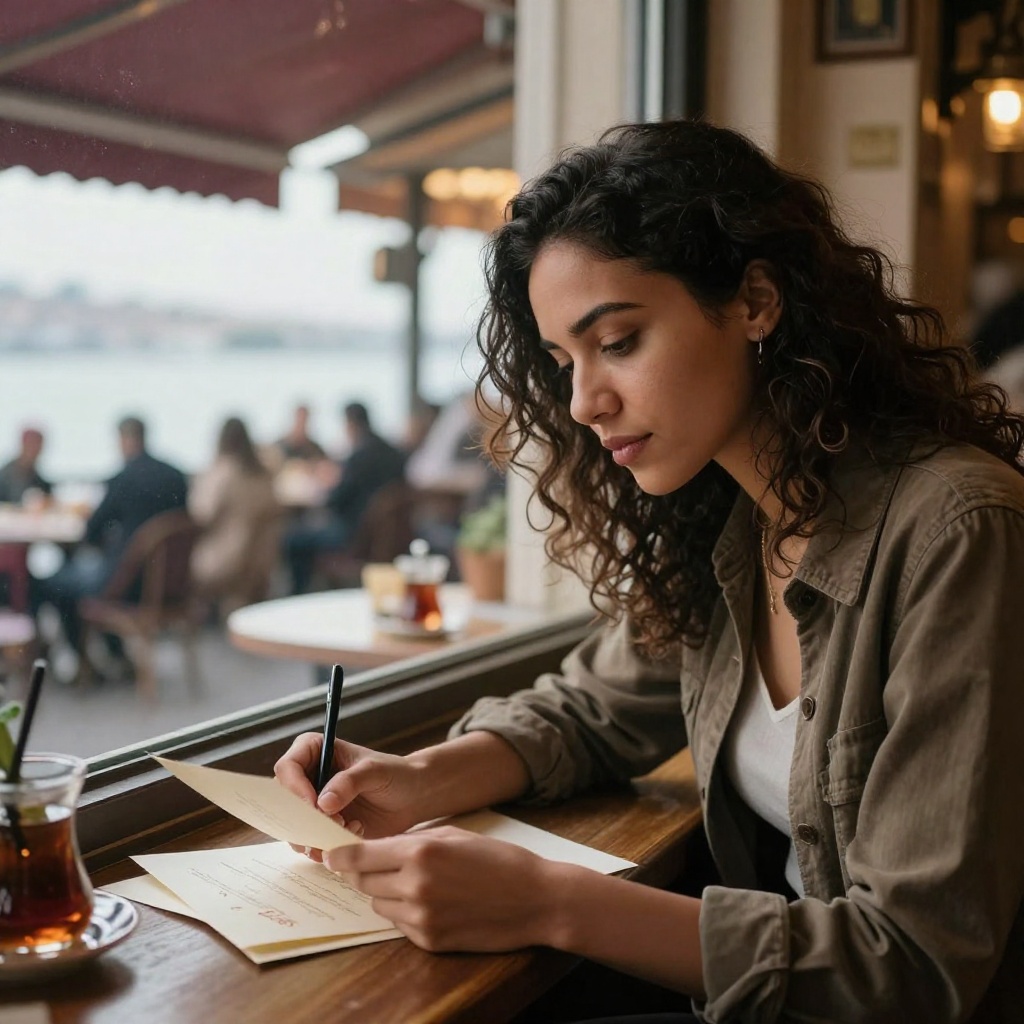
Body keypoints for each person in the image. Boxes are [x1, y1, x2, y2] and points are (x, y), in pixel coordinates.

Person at [274, 120, 1024, 1023]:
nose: (586, 402)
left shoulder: (959, 531)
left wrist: (547, 899)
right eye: (563, 363)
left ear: (755, 301)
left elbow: (912, 968)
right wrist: (420, 779)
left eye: (618, 341)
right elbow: (593, 709)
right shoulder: (736, 521)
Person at [35, 415, 188, 673]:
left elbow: (92, 530)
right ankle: (114, 654)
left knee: (55, 583)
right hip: (170, 585)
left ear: (124, 440)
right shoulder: (176, 476)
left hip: (127, 585)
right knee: (83, 576)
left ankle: (85, 665)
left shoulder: (125, 479)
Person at [282, 401, 406, 594]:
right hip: (388, 537)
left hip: (355, 535)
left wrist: (326, 486)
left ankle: (299, 594)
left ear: (350, 424)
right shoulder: (394, 453)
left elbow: (336, 500)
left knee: (293, 540)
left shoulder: (359, 457)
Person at [189, 416, 283, 618]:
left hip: (224, 561)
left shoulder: (222, 473)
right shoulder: (264, 476)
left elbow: (201, 515)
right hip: (259, 561)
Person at [0, 426, 52, 504]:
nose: (34, 449)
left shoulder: (38, 479)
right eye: (31, 444)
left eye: (38, 444)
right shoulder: (5, 476)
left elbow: (47, 496)